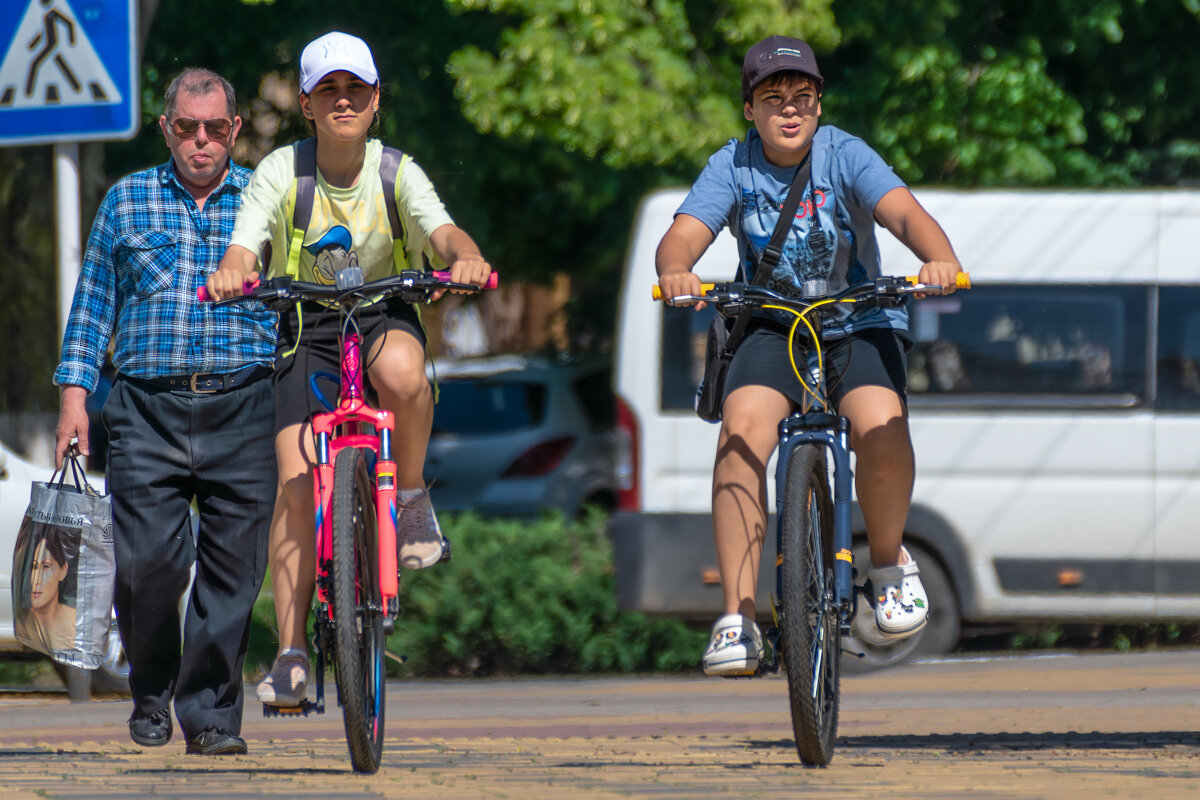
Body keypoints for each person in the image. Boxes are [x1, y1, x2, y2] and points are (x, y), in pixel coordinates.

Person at [656, 36, 964, 676]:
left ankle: (885, 566)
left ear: (819, 104)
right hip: (773, 327)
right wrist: (678, 270)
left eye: (802, 97)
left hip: (858, 321)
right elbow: (681, 237)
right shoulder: (731, 167)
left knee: (881, 423)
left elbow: (905, 214)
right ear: (750, 109)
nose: (789, 110)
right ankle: (738, 620)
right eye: (773, 98)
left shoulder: (846, 154)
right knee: (741, 433)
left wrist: (940, 259)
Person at [206, 31, 492, 707]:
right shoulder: (282, 171)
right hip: (306, 324)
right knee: (297, 477)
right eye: (327, 89)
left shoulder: (396, 172)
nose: (342, 100)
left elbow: (442, 233)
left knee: (403, 373)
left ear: (375, 102)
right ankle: (292, 653)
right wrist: (234, 270)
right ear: (305, 103)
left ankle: (413, 496)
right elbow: (247, 242)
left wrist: (466, 258)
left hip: (382, 313)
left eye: (355, 90)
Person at [53, 68, 277, 754]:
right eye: (187, 127)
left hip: (245, 405)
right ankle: (151, 687)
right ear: (167, 128)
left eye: (215, 128)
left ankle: (209, 715)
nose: (201, 142)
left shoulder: (266, 205)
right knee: (148, 564)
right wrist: (74, 399)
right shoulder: (126, 201)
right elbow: (92, 308)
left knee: (233, 573)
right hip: (144, 410)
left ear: (235, 130)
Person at [14, 522, 78, 654]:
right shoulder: (24, 622)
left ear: (63, 570)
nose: (36, 579)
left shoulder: (76, 623)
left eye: (46, 567)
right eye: (35, 567)